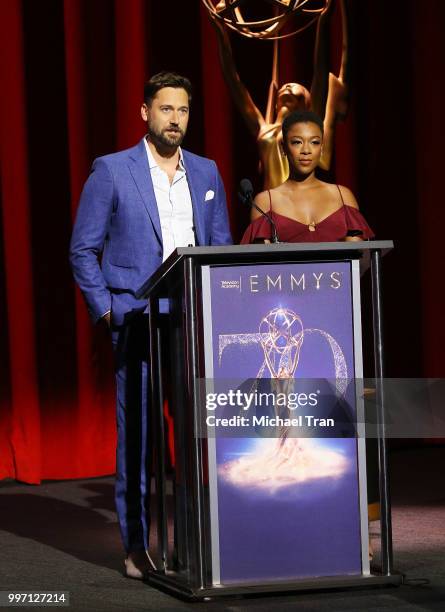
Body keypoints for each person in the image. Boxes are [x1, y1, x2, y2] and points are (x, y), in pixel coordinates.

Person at [69, 71, 232, 579]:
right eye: (166, 109)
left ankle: (193, 539)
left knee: (194, 438)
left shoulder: (206, 173)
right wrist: (107, 310)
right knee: (138, 438)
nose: (176, 119)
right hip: (137, 322)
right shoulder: (113, 170)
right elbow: (82, 250)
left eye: (183, 110)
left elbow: (221, 250)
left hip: (190, 325)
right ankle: (137, 546)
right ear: (145, 112)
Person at [210, 0, 352, 188]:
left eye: (295, 87)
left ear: (306, 104)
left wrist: (324, 22)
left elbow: (320, 71)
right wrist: (219, 29)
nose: (287, 87)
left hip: (299, 208)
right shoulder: (264, 129)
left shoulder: (309, 125)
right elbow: (233, 81)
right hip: (271, 209)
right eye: (285, 86)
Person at [241, 110, 373, 244]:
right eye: (297, 142)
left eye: (314, 142)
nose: (306, 151)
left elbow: (357, 258)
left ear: (321, 148)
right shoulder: (265, 202)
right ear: (283, 148)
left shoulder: (343, 197)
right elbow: (263, 262)